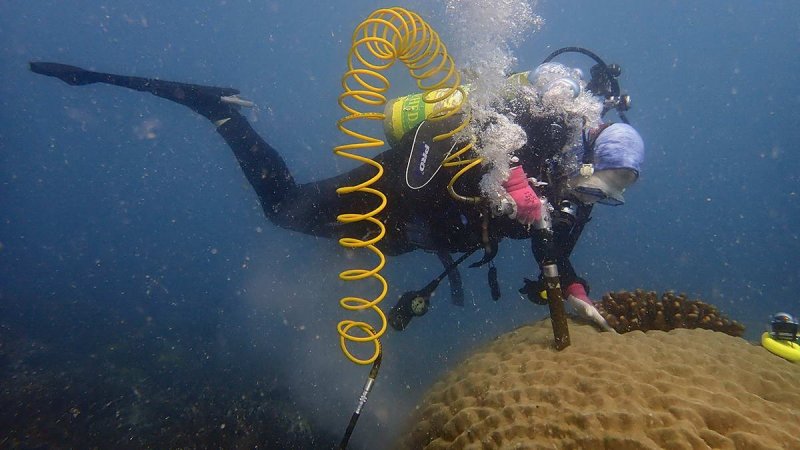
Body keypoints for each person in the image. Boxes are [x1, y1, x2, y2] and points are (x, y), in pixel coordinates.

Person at [29, 52, 644, 332]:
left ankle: (219, 114)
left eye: (607, 199)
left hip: (407, 232)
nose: (590, 203)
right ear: (585, 158)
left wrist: (577, 292)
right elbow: (480, 132)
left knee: (319, 237)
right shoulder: (528, 138)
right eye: (597, 187)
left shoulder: (566, 193)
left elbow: (555, 253)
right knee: (282, 208)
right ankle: (216, 112)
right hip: (391, 194)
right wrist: (513, 187)